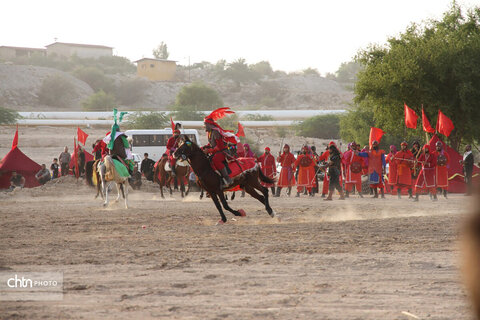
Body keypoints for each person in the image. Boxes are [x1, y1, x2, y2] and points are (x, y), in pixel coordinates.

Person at [202, 109, 239, 188]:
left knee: (216, 159)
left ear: (209, 124)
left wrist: (209, 150)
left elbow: (219, 146)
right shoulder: (209, 133)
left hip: (223, 151)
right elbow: (211, 144)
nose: (204, 126)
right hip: (216, 151)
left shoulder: (216, 132)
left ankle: (227, 178)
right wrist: (203, 148)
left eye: (205, 124)